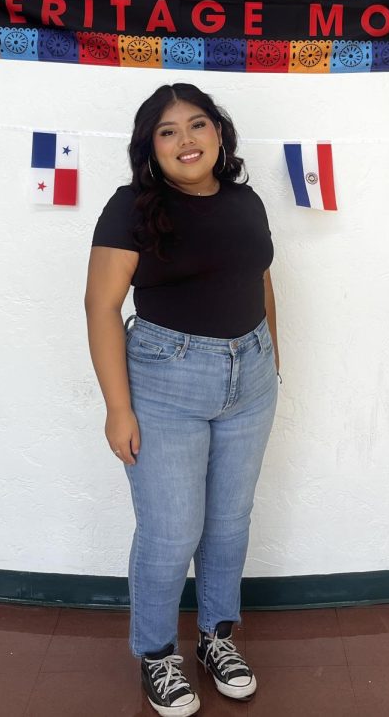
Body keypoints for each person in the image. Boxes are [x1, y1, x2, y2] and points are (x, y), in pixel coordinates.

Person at [85, 83, 279, 717]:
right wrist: (119, 408)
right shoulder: (130, 208)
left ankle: (217, 637)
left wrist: (272, 358)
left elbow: (260, 277)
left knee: (229, 522)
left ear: (218, 134)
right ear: (151, 148)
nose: (186, 140)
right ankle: (157, 652)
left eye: (198, 125)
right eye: (168, 132)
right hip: (166, 381)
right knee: (172, 531)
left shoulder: (245, 199)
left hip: (248, 378)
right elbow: (102, 305)